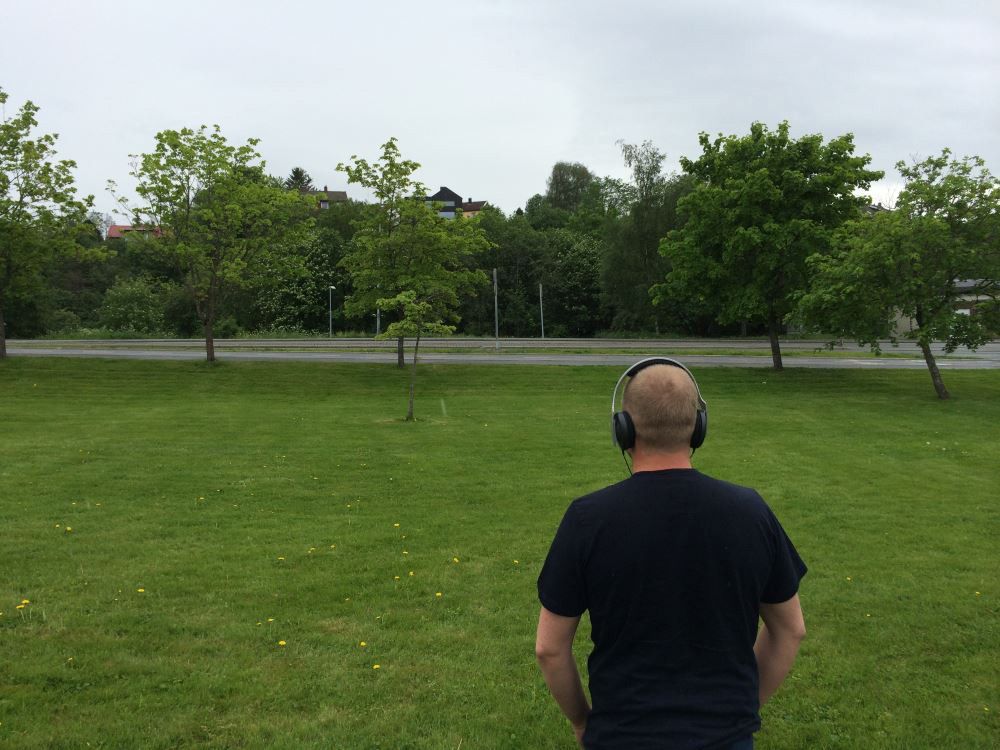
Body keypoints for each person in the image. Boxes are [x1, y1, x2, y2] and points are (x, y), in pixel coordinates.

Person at [536, 360, 807, 749]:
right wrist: (737, 712)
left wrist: (582, 721)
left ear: (623, 429)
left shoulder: (587, 519)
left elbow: (550, 648)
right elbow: (790, 630)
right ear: (698, 427)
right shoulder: (751, 512)